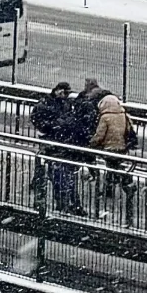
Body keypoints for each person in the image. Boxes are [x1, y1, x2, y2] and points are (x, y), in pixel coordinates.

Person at [31, 82, 84, 213]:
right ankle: (62, 204)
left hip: (59, 144)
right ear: (58, 91)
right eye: (65, 93)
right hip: (53, 144)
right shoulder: (46, 104)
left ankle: (59, 203)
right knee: (58, 175)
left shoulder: (57, 104)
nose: (66, 96)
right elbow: (38, 121)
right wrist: (55, 126)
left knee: (56, 175)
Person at [88, 90, 135, 214]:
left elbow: (100, 134)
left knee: (112, 167)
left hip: (109, 147)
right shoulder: (123, 115)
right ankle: (117, 185)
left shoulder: (105, 117)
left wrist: (92, 143)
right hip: (122, 147)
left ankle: (120, 184)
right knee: (115, 166)